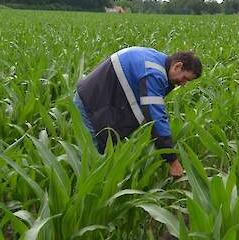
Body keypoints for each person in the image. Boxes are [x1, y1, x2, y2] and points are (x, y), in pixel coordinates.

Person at [73, 47, 202, 178]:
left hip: (100, 106)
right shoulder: (154, 73)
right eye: (185, 78)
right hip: (89, 106)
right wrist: (172, 161)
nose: (183, 84)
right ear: (178, 66)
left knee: (103, 161)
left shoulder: (160, 61)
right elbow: (155, 117)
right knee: (90, 168)